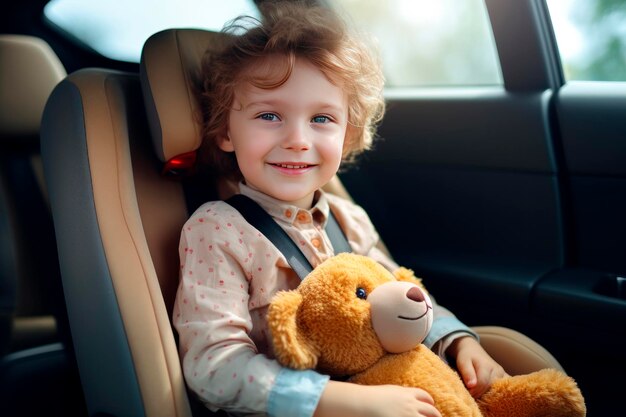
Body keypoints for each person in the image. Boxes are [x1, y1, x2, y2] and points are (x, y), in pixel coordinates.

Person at [172, 1, 507, 416]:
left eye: (322, 119)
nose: (297, 139)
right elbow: (214, 367)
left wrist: (455, 339)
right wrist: (345, 401)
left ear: (348, 135)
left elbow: (401, 298)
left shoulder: (350, 221)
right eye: (270, 115)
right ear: (225, 131)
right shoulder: (217, 231)